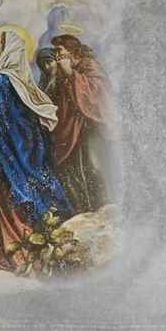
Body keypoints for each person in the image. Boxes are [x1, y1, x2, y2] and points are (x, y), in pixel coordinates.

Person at [0, 27, 72, 272]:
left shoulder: (2, 80)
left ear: (8, 49)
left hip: (7, 156)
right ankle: (18, 253)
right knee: (14, 197)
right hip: (23, 155)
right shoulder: (21, 81)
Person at [49, 34, 111, 214]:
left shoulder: (89, 66)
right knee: (73, 170)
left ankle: (102, 206)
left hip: (90, 127)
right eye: (55, 51)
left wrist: (71, 74)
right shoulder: (63, 71)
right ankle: (83, 209)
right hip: (70, 129)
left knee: (92, 166)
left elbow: (98, 93)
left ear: (71, 51)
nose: (56, 55)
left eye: (59, 50)